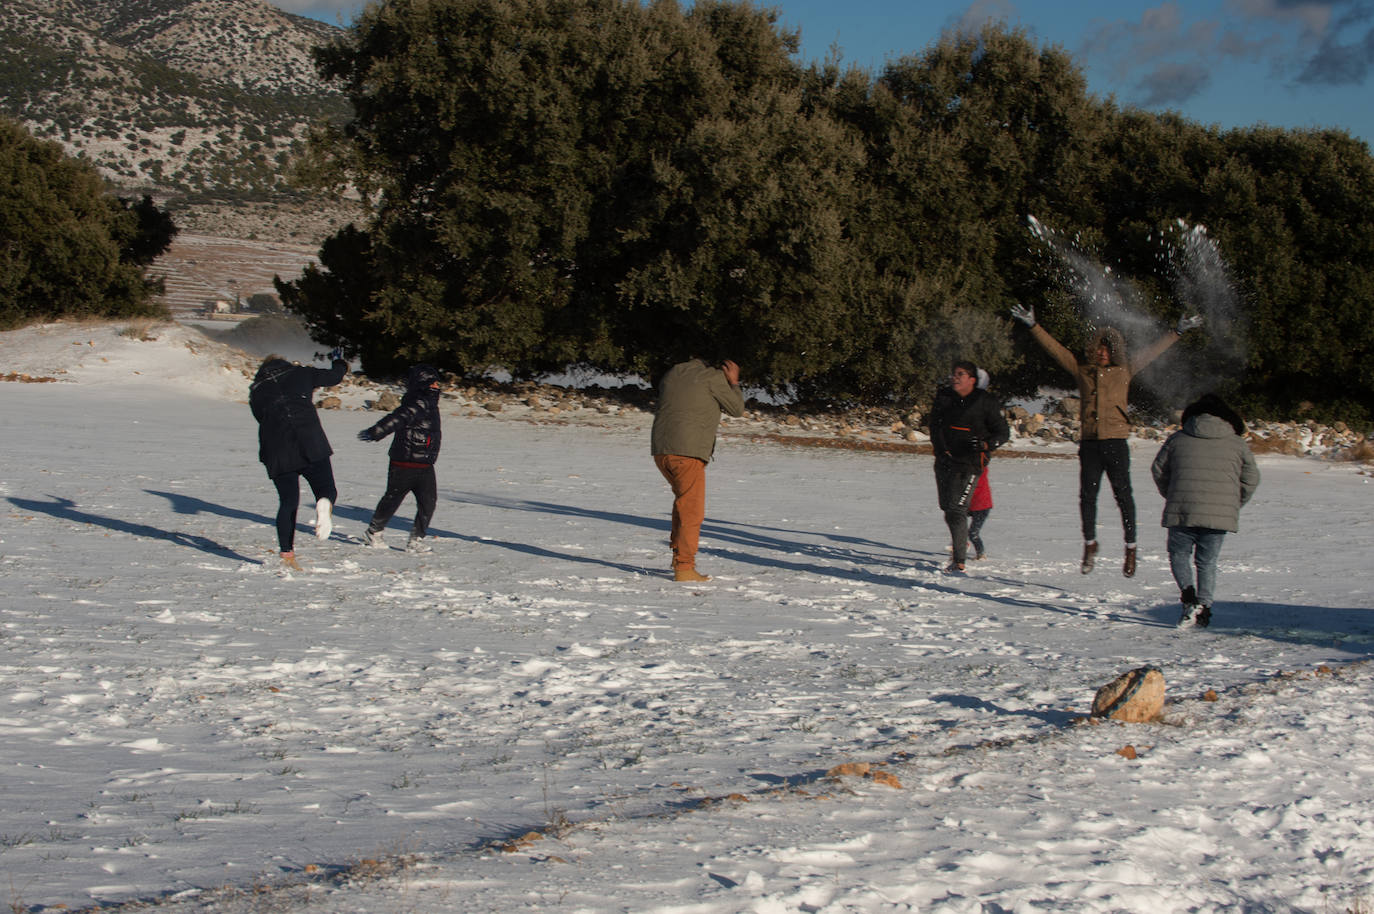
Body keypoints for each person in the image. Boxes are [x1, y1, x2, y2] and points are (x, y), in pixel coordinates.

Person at [1010, 303, 1202, 577]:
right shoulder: (1082, 371)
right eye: (1098, 348)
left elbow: (1152, 352)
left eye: (1106, 348)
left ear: (1115, 351)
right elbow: (1056, 350)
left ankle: (1131, 548)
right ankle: (1090, 544)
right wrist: (1033, 326)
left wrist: (1177, 331)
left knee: (1123, 495)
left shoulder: (1125, 370)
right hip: (1090, 444)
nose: (1101, 352)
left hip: (1115, 443)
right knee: (1088, 496)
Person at [1151, 393, 1260, 628]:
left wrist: (1172, 494)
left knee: (1179, 555)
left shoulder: (1177, 439)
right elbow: (1251, 478)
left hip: (1182, 510)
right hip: (1219, 515)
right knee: (1207, 562)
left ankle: (1188, 598)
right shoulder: (1237, 443)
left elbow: (1159, 470)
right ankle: (1205, 607)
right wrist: (1232, 503)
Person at [249, 349, 348, 570]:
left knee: (288, 502)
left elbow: (259, 416)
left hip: (276, 448)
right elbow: (335, 377)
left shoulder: (256, 390)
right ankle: (323, 502)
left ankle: (287, 555)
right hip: (309, 440)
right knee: (326, 489)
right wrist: (339, 361)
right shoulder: (301, 373)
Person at [650, 356, 745, 582]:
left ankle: (678, 558)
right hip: (687, 452)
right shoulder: (712, 377)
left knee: (683, 503)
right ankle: (684, 567)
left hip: (661, 450)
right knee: (691, 510)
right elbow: (737, 409)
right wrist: (734, 382)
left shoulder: (671, 375)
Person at [928, 360, 1009, 573]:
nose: (955, 377)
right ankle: (959, 553)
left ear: (972, 380)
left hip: (971, 464)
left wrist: (986, 445)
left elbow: (1003, 433)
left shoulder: (985, 401)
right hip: (945, 462)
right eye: (953, 373)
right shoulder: (944, 397)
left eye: (960, 374)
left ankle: (959, 561)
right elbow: (934, 426)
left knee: (957, 510)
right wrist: (940, 449)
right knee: (947, 509)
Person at [357, 364, 443, 554]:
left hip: (425, 464)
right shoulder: (417, 403)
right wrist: (376, 432)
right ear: (423, 384)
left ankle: (416, 539)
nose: (438, 386)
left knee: (428, 502)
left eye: (437, 382)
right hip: (404, 462)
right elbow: (396, 419)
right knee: (393, 498)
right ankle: (374, 532)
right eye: (433, 382)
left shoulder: (430, 403)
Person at [966, 369, 995, 560]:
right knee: (959, 526)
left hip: (981, 507)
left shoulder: (978, 470)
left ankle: (981, 554)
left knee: (973, 533)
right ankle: (962, 545)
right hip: (971, 504)